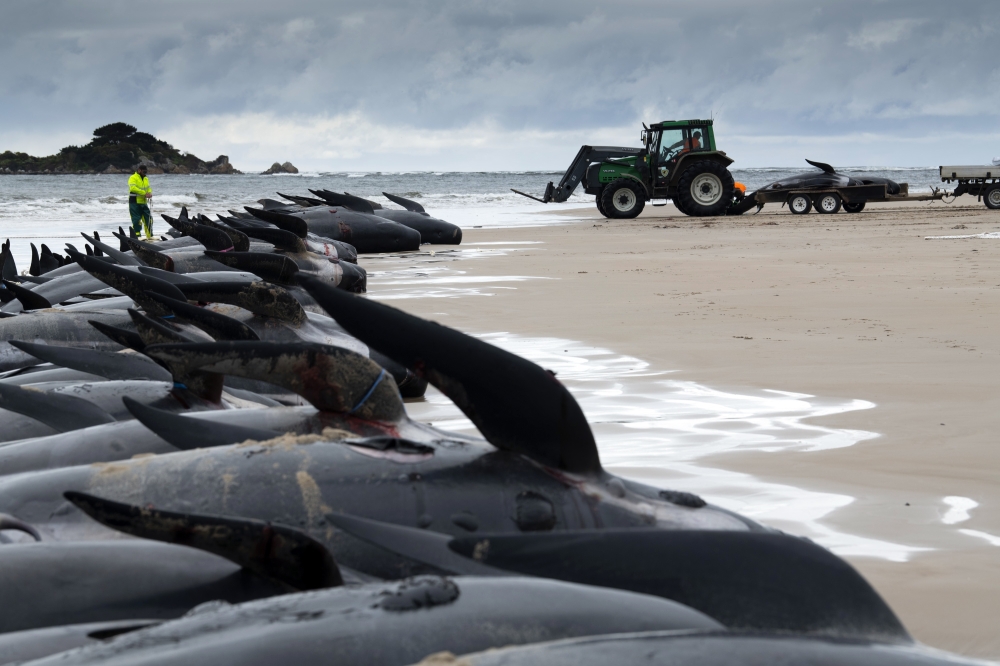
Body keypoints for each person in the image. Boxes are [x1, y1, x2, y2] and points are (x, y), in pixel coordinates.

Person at [128, 165, 153, 239]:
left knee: (148, 219)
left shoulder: (146, 178)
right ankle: (137, 236)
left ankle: (150, 236)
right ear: (139, 170)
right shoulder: (133, 177)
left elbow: (148, 188)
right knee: (136, 219)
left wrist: (149, 193)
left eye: (146, 172)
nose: (145, 173)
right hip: (134, 202)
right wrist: (144, 193)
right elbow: (133, 188)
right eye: (144, 171)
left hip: (143, 202)